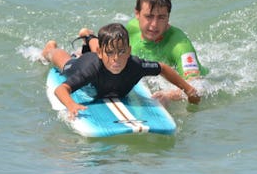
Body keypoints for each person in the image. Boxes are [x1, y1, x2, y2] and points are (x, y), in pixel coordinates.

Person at [42, 23, 200, 118]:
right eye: (110, 53)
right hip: (83, 63)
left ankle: (89, 36)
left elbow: (162, 68)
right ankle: (51, 49)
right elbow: (61, 89)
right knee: (65, 63)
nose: (116, 58)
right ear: (101, 54)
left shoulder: (135, 65)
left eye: (122, 52)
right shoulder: (91, 69)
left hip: (100, 54)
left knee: (110, 47)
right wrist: (71, 105)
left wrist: (188, 89)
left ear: (129, 50)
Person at [126, 0, 208, 100]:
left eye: (161, 17)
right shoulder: (131, 28)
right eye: (149, 16)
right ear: (137, 14)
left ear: (168, 17)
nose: (154, 25)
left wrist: (169, 95)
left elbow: (197, 87)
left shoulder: (179, 45)